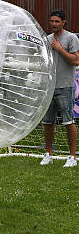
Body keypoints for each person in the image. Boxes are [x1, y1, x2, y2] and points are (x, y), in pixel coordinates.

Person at [40, 10, 78, 168]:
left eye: (57, 21)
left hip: (65, 86)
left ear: (63, 23)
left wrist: (59, 48)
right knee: (48, 122)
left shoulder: (71, 38)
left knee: (68, 121)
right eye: (51, 21)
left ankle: (72, 156)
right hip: (49, 87)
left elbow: (76, 61)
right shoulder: (47, 39)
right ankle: (48, 154)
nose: (53, 24)